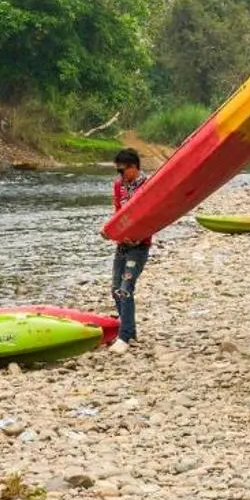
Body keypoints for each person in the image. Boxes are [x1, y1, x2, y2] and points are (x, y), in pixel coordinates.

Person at [108, 148, 150, 353]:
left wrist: (139, 235)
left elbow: (153, 216)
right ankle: (130, 331)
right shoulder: (119, 186)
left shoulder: (149, 185)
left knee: (126, 289)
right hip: (122, 245)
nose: (120, 174)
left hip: (139, 246)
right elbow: (117, 212)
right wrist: (112, 232)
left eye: (122, 170)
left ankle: (123, 337)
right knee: (116, 289)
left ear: (133, 167)